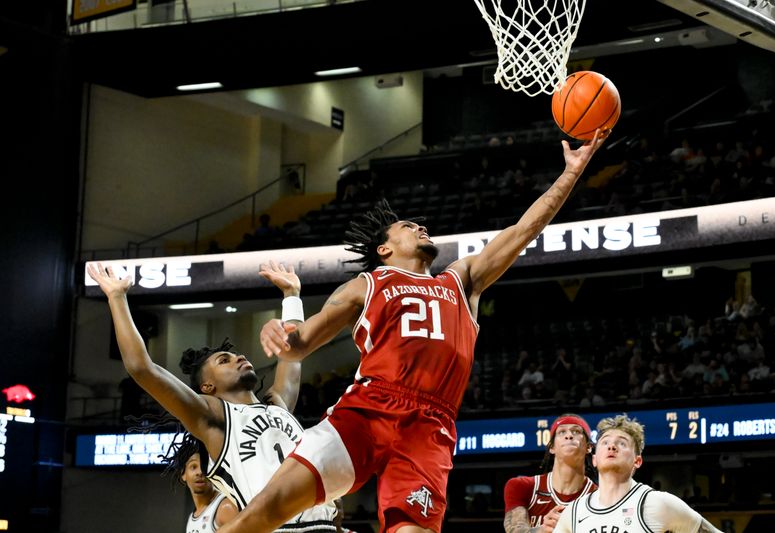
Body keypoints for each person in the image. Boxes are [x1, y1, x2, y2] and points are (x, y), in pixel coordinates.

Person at [218, 131, 605, 533]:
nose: (420, 225)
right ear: (385, 249)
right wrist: (282, 319)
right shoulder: (367, 284)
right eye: (407, 225)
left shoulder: (462, 280)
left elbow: (525, 229)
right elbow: (297, 346)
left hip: (430, 426)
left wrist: (571, 174)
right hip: (369, 410)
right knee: (265, 512)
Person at [86, 262, 338, 532]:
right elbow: (141, 368)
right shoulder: (213, 416)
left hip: (324, 524)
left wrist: (291, 296)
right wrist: (117, 297)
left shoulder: (277, 404)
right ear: (207, 386)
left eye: (236, 355)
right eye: (224, 360)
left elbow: (294, 352)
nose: (240, 357)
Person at [553, 415, 723, 533]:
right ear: (595, 459)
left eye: (621, 443)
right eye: (605, 442)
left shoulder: (657, 503)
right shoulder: (574, 512)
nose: (612, 447)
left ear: (637, 461)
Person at [503, 414, 597, 533]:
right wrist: (543, 530)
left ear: (588, 447)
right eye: (562, 432)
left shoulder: (598, 496)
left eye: (576, 431)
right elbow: (515, 530)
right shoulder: (522, 486)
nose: (569, 435)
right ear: (552, 447)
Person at [162, 433, 238, 533]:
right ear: (183, 475)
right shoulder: (191, 519)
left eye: (204, 466)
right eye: (193, 467)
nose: (200, 472)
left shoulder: (225, 507)